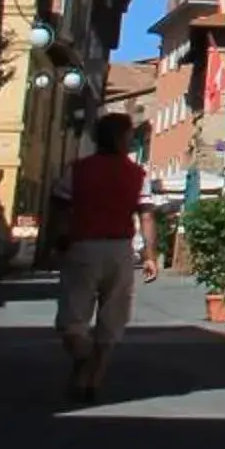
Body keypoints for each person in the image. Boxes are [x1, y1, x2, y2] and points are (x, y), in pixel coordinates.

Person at [51, 113, 155, 404]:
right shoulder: (137, 175)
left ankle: (83, 360)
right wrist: (149, 254)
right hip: (120, 248)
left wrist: (58, 239)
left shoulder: (79, 170)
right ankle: (93, 378)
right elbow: (146, 216)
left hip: (82, 246)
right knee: (112, 318)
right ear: (122, 139)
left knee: (73, 319)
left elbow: (59, 205)